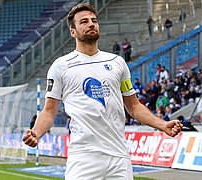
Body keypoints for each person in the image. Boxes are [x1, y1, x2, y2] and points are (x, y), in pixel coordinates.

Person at [22, 3, 182, 180]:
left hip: (119, 157)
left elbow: (134, 107)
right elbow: (49, 111)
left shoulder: (117, 62)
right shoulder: (61, 66)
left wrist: (162, 125)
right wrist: (36, 133)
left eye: (94, 20)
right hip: (83, 157)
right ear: (72, 32)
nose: (91, 24)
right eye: (84, 21)